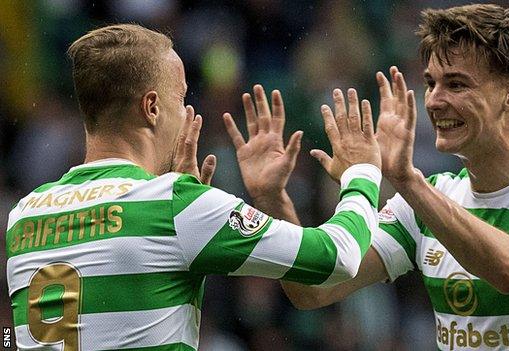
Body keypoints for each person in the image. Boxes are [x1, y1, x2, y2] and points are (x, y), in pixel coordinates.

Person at [230, 4, 509, 350]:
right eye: (431, 83)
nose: (434, 100)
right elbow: (311, 292)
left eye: (457, 84)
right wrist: (272, 200)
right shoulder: (425, 203)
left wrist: (407, 180)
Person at [4, 24, 383, 350]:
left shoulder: (23, 215)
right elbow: (338, 256)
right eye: (181, 97)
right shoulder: (174, 205)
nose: (187, 112)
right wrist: (362, 172)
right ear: (152, 107)